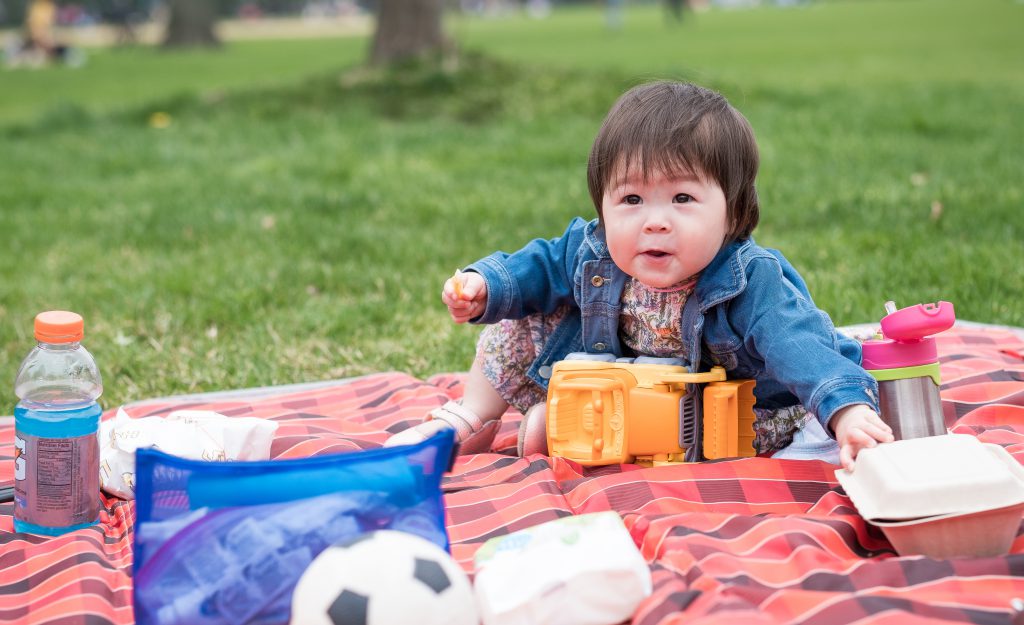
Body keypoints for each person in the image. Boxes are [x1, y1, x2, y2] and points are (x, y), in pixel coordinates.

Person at [387, 81, 893, 471]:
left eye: (682, 199)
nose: (654, 220)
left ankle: (559, 426)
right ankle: (471, 416)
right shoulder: (594, 250)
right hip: (626, 376)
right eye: (631, 199)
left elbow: (799, 345)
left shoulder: (749, 279)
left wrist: (844, 409)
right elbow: (536, 266)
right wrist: (485, 285)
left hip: (726, 408)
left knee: (697, 435)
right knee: (523, 316)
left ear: (733, 212)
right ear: (603, 207)